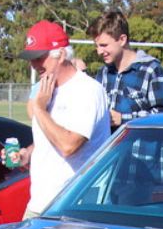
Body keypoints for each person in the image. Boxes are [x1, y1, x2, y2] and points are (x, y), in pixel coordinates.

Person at [9, 20, 111, 218]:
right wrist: (27, 154)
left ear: (62, 55)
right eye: (31, 58)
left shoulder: (88, 91)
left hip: (73, 209)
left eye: (39, 57)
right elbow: (47, 140)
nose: (33, 64)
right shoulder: (46, 89)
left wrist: (40, 109)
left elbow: (68, 145)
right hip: (39, 203)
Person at [90, 9, 163, 130]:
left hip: (139, 149)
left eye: (104, 45)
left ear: (122, 40)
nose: (99, 51)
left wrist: (124, 119)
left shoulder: (151, 70)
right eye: (96, 46)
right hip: (110, 149)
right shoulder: (103, 73)